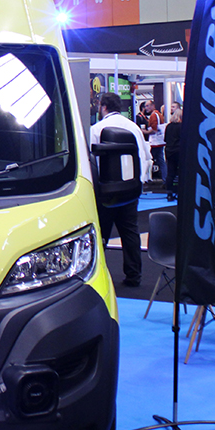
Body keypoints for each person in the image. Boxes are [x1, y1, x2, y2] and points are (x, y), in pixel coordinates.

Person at [90, 92, 152, 288]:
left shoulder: (96, 129)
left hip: (105, 193)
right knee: (130, 234)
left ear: (103, 107)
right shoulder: (134, 128)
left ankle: (96, 276)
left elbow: (92, 162)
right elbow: (145, 157)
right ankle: (134, 275)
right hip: (131, 191)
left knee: (100, 236)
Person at [164, 106, 183, 201]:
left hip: (169, 151)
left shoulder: (168, 126)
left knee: (170, 173)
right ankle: (181, 192)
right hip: (179, 151)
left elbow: (165, 139)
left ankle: (169, 194)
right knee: (182, 172)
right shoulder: (182, 127)